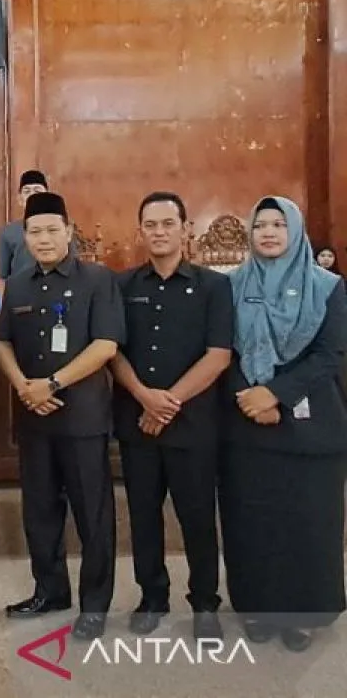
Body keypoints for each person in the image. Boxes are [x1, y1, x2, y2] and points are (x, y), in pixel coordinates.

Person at [0, 191, 123, 641]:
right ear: (24, 236)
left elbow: (105, 346)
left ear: (69, 232)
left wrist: (51, 384)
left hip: (82, 418)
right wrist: (23, 386)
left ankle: (95, 605)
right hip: (34, 417)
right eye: (35, 231)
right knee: (40, 512)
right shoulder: (19, 283)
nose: (44, 239)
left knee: (93, 515)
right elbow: (2, 343)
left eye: (52, 230)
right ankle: (49, 591)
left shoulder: (98, 279)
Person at [220, 196, 347, 653]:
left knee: (308, 523)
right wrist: (250, 398)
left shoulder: (327, 286)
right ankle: (257, 607)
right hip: (246, 426)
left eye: (279, 224)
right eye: (261, 225)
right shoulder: (230, 286)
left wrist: (275, 394)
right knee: (251, 522)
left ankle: (304, 614)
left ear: (296, 231)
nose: (269, 232)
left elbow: (330, 354)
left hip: (310, 429)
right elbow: (221, 351)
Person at [109, 192, 232, 640]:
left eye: (168, 223)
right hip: (136, 422)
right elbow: (112, 351)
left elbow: (218, 356)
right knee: (143, 516)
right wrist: (145, 398)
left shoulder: (214, 286)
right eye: (151, 224)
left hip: (193, 425)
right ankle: (152, 596)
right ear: (140, 231)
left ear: (185, 228)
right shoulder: (122, 286)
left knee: (197, 517)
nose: (159, 232)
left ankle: (205, 603)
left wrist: (166, 404)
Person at [0, 170, 77, 303]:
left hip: (59, 292)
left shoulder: (62, 228)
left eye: (37, 190)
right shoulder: (8, 232)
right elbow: (3, 276)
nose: (32, 195)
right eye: (27, 191)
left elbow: (73, 265)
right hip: (22, 294)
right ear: (20, 199)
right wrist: (2, 307)